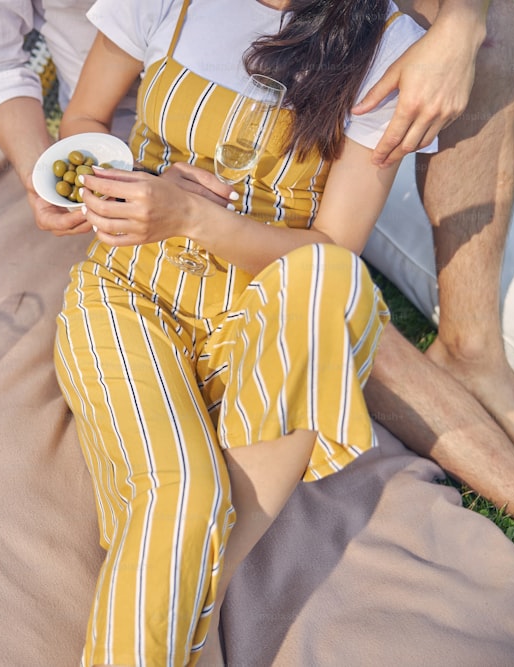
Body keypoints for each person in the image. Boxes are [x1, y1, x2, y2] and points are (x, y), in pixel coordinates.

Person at [0, 0, 514, 522]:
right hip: (143, 144)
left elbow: (332, 240)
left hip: (314, 133)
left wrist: (463, 21)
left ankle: (470, 345)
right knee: (347, 325)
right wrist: (50, 173)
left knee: (494, 24)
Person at [50, 0, 432, 663]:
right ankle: (193, 596)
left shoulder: (385, 44)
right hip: (127, 293)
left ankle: (191, 582)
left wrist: (194, 221)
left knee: (333, 280)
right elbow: (82, 120)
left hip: (258, 325)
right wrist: (139, 183)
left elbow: (333, 246)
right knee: (187, 492)